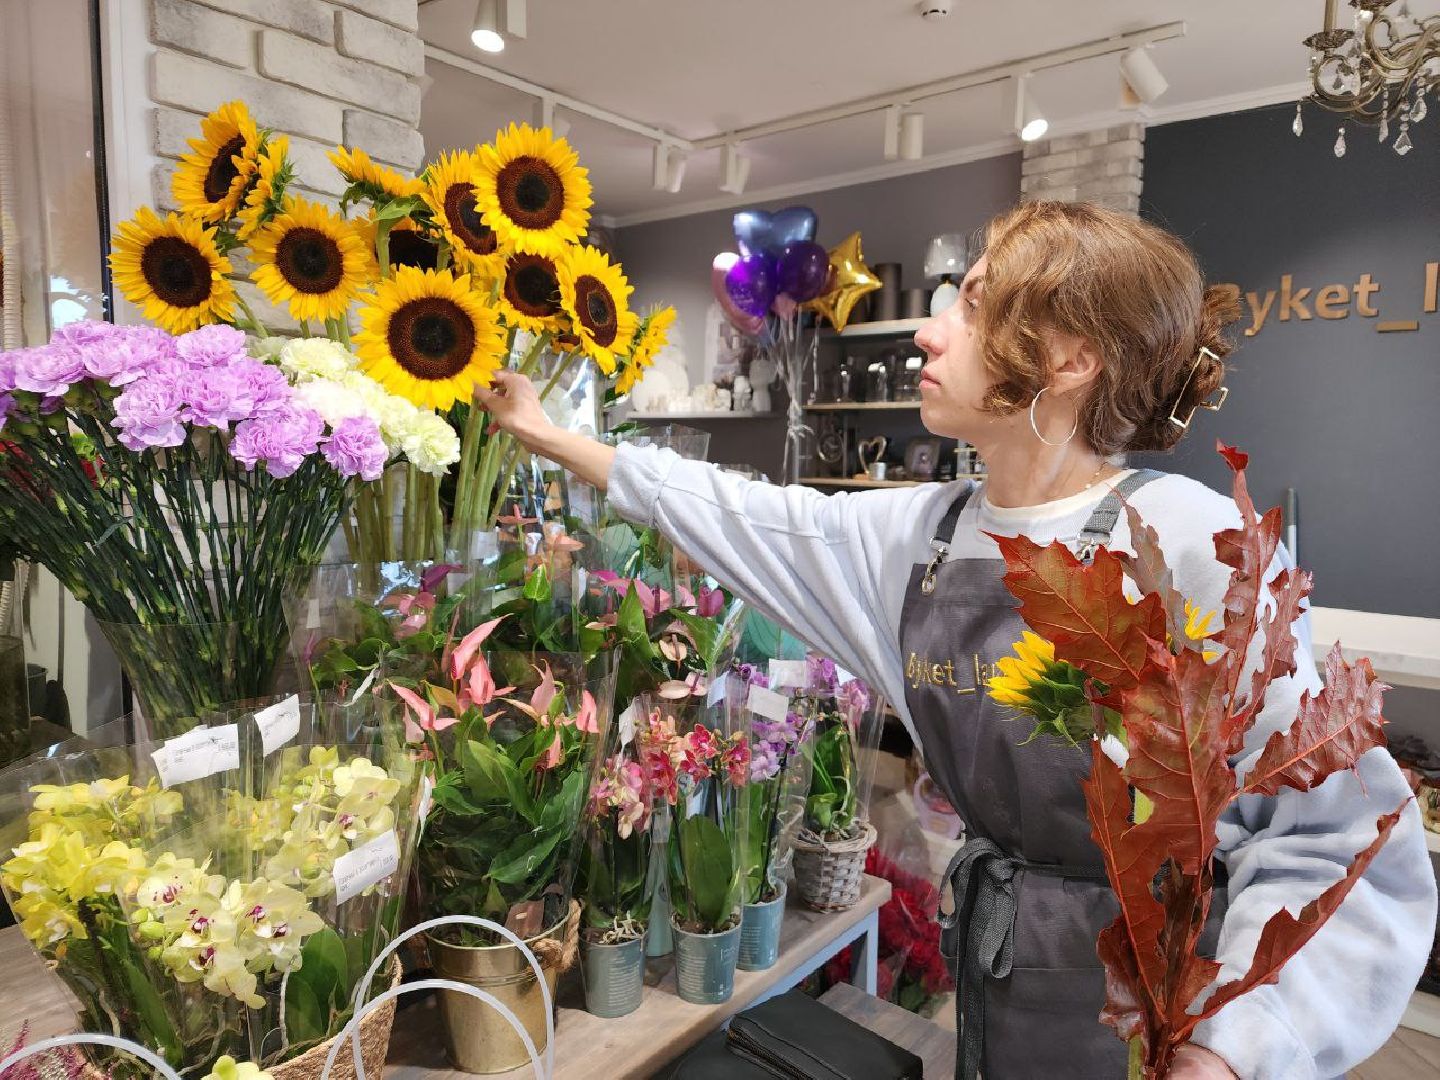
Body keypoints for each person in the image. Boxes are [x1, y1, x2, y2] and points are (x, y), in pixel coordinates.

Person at [477, 201, 1436, 1079]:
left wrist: (1236, 1050)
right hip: (995, 974)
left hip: (1166, 1013)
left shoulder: (1192, 547)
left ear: (1069, 360)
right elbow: (748, 516)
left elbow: (1333, 844)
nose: (929, 332)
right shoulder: (924, 534)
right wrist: (553, 437)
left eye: (972, 308)